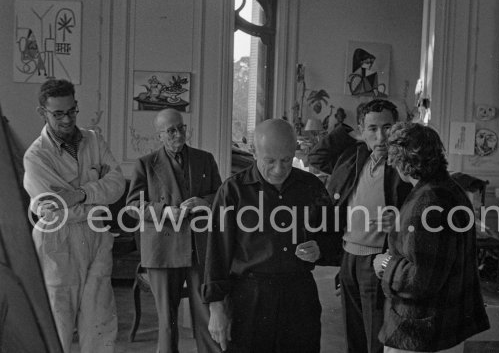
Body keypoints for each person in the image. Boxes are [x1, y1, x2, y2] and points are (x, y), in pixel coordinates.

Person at [202, 119, 339, 353]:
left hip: (299, 294)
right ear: (255, 152)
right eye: (270, 161)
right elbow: (217, 252)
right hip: (250, 295)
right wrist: (216, 309)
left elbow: (334, 238)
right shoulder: (234, 190)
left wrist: (320, 249)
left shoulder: (311, 186)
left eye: (286, 160)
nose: (279, 169)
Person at [23, 79, 125, 353]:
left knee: (100, 318)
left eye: (72, 110)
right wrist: (96, 200)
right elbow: (51, 205)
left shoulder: (94, 139)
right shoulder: (35, 157)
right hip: (57, 240)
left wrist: (78, 194)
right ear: (42, 112)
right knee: (59, 319)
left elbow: (117, 184)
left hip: (96, 237)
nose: (67, 119)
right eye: (58, 114)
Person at [373, 122, 490, 352]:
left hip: (421, 333)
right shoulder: (451, 189)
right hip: (446, 326)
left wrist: (385, 264)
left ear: (404, 163)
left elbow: (422, 279)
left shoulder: (428, 201)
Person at [308, 99, 412, 353]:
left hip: (379, 259)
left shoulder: (406, 164)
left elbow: (424, 208)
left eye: (388, 127)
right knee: (352, 332)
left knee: (376, 334)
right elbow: (317, 156)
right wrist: (346, 132)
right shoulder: (353, 155)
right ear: (361, 130)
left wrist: (400, 220)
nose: (381, 136)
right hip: (348, 256)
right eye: (373, 129)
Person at [126, 108, 222, 353]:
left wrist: (204, 202)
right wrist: (165, 211)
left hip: (198, 248)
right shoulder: (145, 164)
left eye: (181, 128)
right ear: (159, 135)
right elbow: (132, 206)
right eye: (171, 131)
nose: (178, 134)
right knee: (167, 322)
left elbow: (221, 196)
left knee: (205, 313)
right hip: (162, 249)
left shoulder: (205, 159)